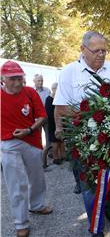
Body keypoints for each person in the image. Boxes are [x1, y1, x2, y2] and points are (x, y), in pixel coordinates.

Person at [53, 31, 110, 237]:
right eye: (96, 51)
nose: (101, 55)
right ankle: (96, 226)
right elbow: (62, 107)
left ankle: (107, 207)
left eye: (104, 51)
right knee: (87, 183)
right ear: (83, 49)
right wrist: (93, 114)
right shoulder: (69, 72)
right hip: (82, 136)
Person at [1, 60, 53, 237]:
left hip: (32, 140)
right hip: (8, 143)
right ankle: (20, 223)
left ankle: (37, 205)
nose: (17, 83)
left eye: (19, 78)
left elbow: (42, 116)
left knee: (37, 178)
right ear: (3, 79)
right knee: (17, 184)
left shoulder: (30, 92)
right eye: (12, 79)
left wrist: (29, 130)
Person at [45, 82, 65, 165]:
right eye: (57, 89)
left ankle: (63, 156)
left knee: (61, 139)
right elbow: (49, 113)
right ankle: (56, 157)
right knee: (54, 141)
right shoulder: (49, 99)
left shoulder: (60, 98)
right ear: (53, 89)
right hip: (52, 122)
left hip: (61, 121)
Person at [33, 74, 51, 151]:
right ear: (34, 81)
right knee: (37, 136)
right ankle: (39, 153)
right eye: (39, 81)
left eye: (42, 80)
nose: (41, 82)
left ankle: (49, 152)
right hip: (37, 118)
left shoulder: (47, 90)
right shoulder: (31, 91)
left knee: (48, 135)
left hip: (46, 117)